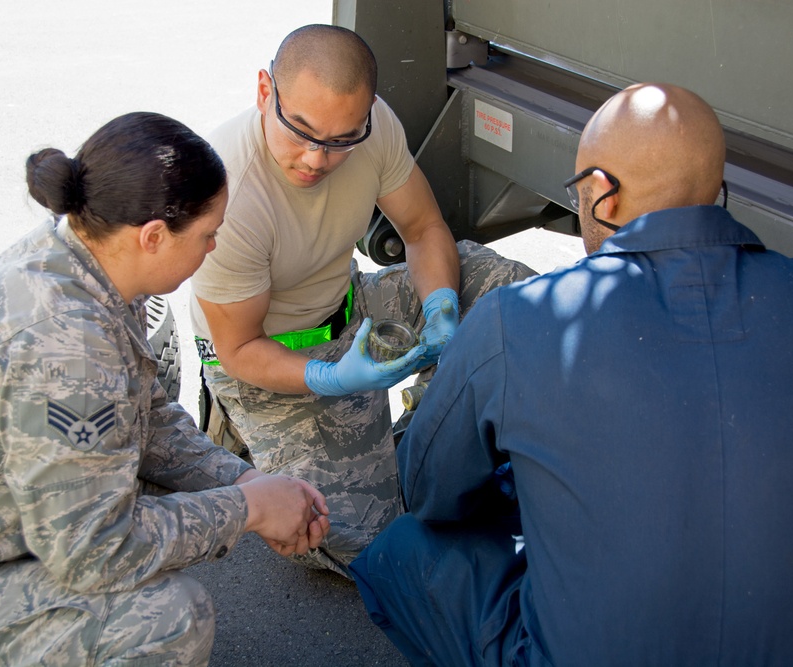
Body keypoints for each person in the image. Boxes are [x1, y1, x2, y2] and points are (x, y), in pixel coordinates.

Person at [350, 83, 793, 665]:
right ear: (715, 192)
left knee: (402, 548)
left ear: (602, 194)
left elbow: (429, 492)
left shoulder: (522, 320)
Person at [0, 112, 330, 666]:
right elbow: (95, 551)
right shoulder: (67, 345)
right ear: (152, 237)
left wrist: (246, 479)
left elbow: (146, 417)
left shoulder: (80, 255)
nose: (214, 248)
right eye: (207, 235)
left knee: (146, 496)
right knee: (164, 620)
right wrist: (247, 509)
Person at [190, 24, 536, 575]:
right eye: (300, 130)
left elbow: (423, 230)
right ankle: (245, 431)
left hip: (354, 311)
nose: (315, 157)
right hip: (273, 361)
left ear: (368, 112)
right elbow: (239, 347)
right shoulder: (226, 189)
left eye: (340, 139)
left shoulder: (372, 129)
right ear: (263, 92)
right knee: (359, 541)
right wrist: (331, 380)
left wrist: (442, 307)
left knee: (514, 294)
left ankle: (429, 425)